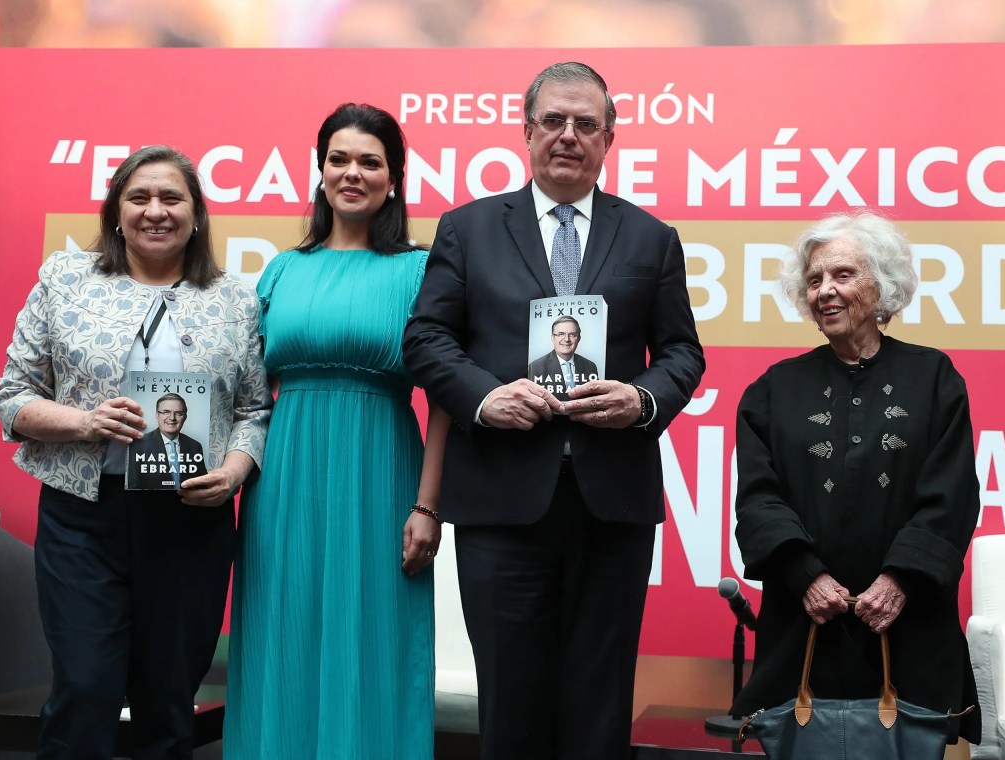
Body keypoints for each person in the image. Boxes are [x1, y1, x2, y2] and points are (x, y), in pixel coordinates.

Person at [402, 62, 705, 759]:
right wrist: (485, 397)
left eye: (586, 124)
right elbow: (427, 339)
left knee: (600, 705)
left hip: (612, 505)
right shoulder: (469, 229)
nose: (569, 135)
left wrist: (641, 400)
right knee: (511, 704)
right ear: (527, 131)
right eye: (554, 121)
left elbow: (682, 353)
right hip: (501, 500)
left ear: (609, 138)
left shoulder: (651, 237)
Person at [0, 145, 272, 759]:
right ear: (115, 212)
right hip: (83, 518)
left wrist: (232, 472)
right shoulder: (65, 280)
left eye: (171, 198)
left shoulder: (236, 299)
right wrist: (85, 421)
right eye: (138, 197)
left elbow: (255, 410)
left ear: (196, 214)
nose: (155, 210)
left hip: (191, 522)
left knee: (168, 703)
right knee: (84, 689)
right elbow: (12, 398)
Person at [224, 103, 448, 759]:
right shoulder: (282, 269)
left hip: (382, 475)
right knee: (280, 637)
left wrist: (428, 506)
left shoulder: (421, 270)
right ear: (320, 171)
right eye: (339, 159)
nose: (353, 173)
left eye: (370, 162)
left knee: (374, 640)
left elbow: (445, 402)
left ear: (394, 179)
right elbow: (246, 392)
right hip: (281, 483)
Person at [731, 212, 981, 745]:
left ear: (882, 283)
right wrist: (806, 576)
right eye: (814, 280)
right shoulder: (773, 390)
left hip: (909, 626)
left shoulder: (934, 378)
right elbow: (758, 499)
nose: (825, 290)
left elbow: (952, 494)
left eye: (842, 275)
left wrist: (898, 581)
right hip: (803, 628)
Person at [127, 393, 209, 489]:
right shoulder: (138, 445)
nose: (172, 418)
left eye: (179, 413)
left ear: (185, 417)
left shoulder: (195, 446)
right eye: (166, 412)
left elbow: (202, 485)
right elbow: (133, 486)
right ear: (157, 415)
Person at [527, 315, 599, 389]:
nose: (567, 339)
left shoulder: (590, 367)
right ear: (553, 338)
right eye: (561, 334)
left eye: (572, 334)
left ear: (579, 338)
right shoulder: (535, 368)